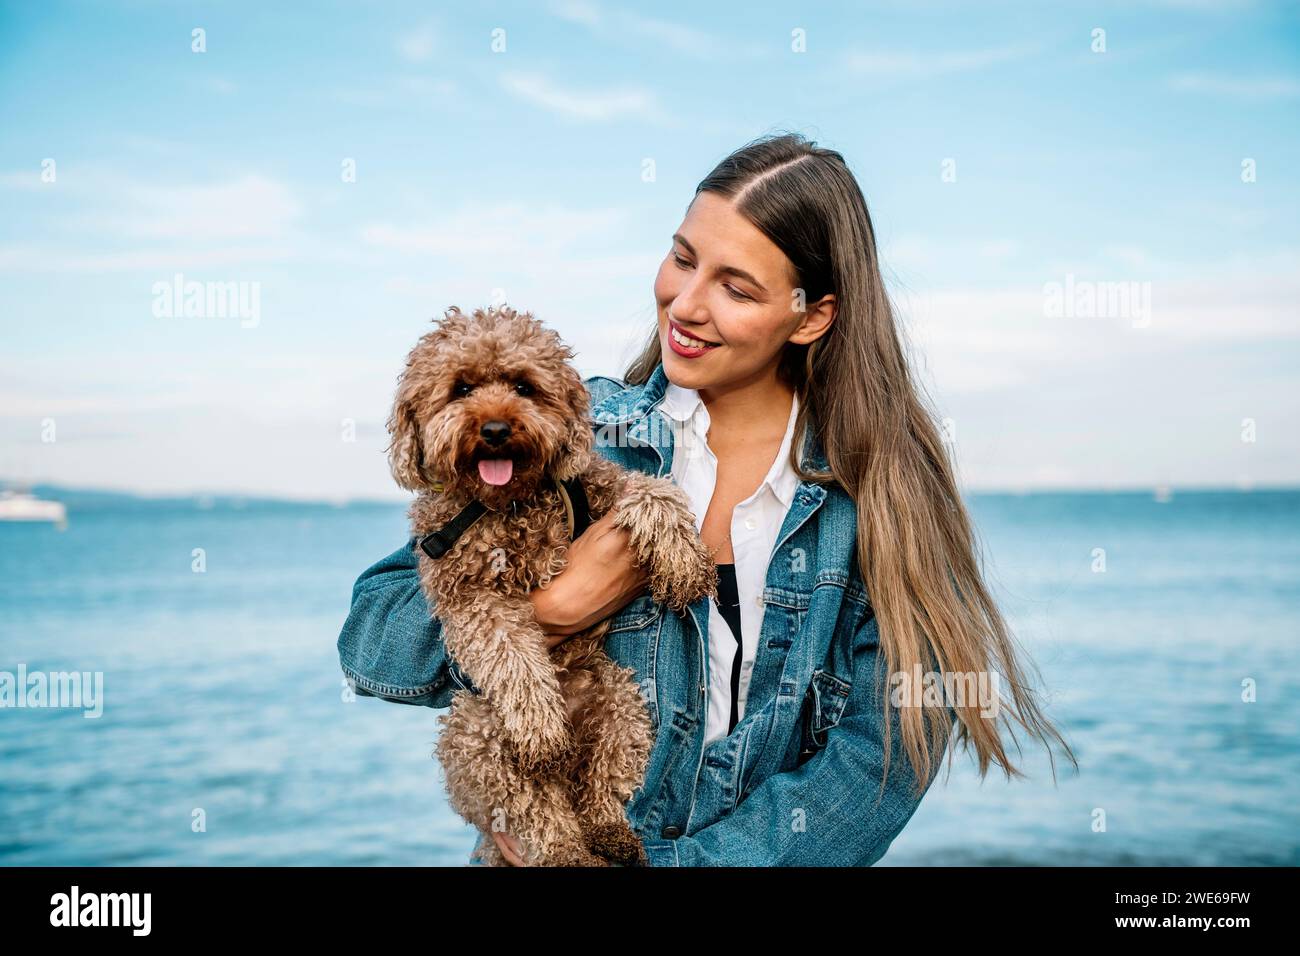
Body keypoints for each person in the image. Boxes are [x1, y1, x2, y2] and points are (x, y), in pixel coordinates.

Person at [337, 131, 1076, 866]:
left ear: (812, 315)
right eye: (683, 259)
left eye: (736, 287)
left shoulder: (878, 496)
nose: (685, 305)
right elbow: (373, 639)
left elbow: (880, 764)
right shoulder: (576, 433)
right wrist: (550, 613)